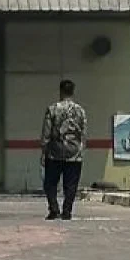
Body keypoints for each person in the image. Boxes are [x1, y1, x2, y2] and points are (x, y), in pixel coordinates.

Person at [40, 79, 87, 220]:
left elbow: (46, 133)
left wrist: (44, 151)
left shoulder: (53, 109)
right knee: (71, 185)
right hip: (74, 154)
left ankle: (54, 209)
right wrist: (81, 149)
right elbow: (83, 133)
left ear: (60, 91)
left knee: (50, 183)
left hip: (54, 153)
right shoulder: (80, 111)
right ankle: (67, 211)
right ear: (73, 91)